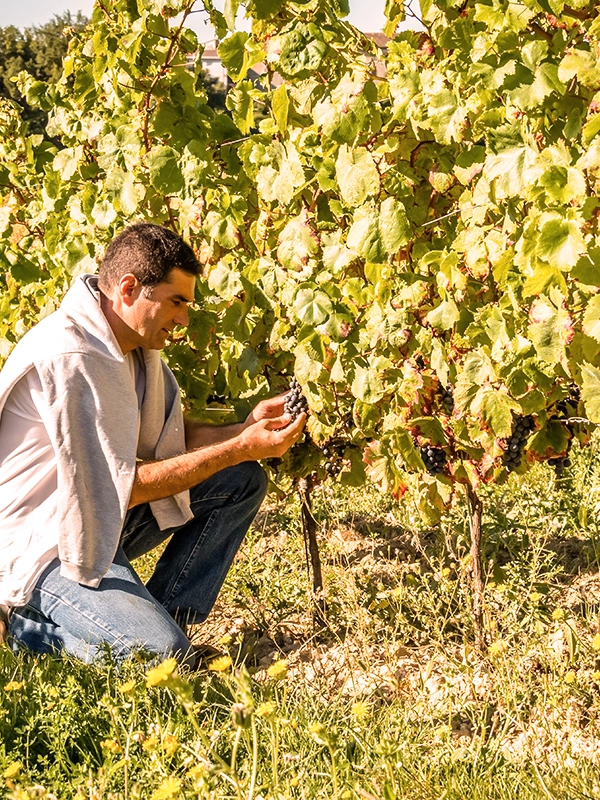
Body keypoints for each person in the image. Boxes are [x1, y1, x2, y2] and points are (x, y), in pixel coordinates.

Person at [0, 223, 305, 666]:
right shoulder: (71, 359)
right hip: (44, 544)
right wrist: (238, 447)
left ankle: (164, 619)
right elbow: (120, 489)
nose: (183, 319)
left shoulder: (130, 348)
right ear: (128, 289)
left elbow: (173, 435)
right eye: (176, 302)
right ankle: (27, 631)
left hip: (94, 519)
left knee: (240, 480)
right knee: (165, 658)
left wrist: (244, 428)